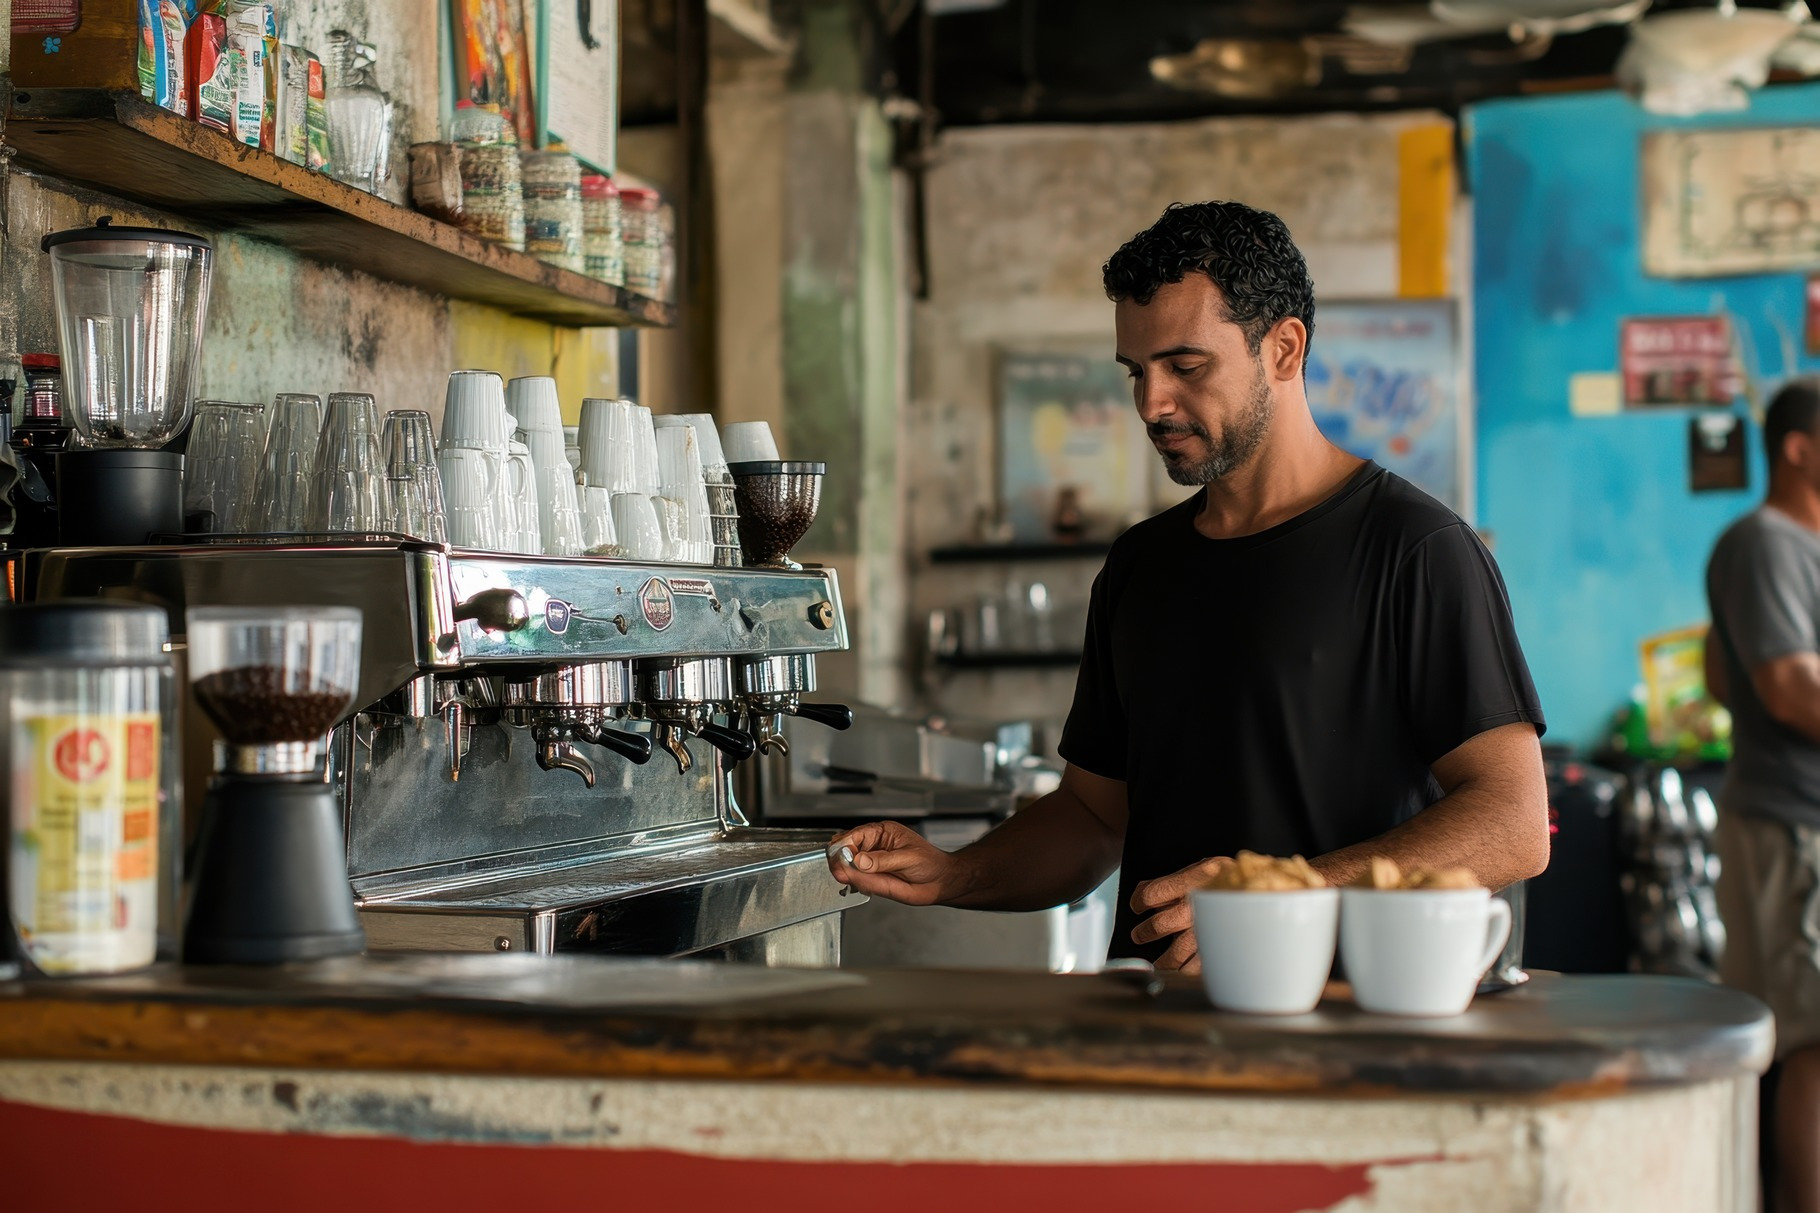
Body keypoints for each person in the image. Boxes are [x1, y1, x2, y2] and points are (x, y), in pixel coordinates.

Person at [830, 200, 1549, 971]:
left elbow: (1513, 822)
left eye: (1186, 366)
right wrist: (956, 872)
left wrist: (1283, 896)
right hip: (1155, 1017)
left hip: (1347, 1019)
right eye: (1136, 371)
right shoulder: (1138, 567)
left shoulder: (1417, 551)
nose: (1152, 403)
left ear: (1284, 348)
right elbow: (1093, 817)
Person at [1706, 378, 1820, 1213]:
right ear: (1798, 448)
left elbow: (1721, 673)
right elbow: (1787, 686)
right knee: (1814, 1043)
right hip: (1795, 825)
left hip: (1788, 819)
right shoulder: (1767, 542)